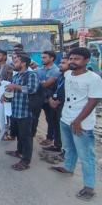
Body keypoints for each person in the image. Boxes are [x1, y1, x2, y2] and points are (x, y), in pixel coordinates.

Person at [50, 48, 102, 202]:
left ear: (86, 60)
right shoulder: (67, 74)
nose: (72, 61)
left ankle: (89, 187)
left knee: (87, 156)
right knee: (69, 147)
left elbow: (94, 101)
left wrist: (79, 120)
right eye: (71, 58)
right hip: (65, 118)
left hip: (82, 123)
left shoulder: (93, 78)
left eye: (77, 59)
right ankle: (68, 168)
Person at [4, 53, 39, 171]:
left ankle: (26, 161)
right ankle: (19, 151)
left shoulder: (31, 75)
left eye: (16, 61)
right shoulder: (16, 75)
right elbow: (12, 91)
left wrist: (15, 86)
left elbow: (32, 89)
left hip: (26, 111)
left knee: (26, 137)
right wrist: (5, 96)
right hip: (15, 110)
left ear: (23, 63)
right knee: (18, 134)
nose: (14, 63)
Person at [42, 56, 69, 158]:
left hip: (63, 105)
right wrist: (50, 99)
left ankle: (66, 152)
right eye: (60, 62)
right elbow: (53, 88)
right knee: (56, 125)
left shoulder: (70, 77)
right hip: (53, 103)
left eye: (64, 63)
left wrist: (59, 101)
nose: (60, 64)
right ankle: (57, 145)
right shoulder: (61, 76)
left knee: (64, 129)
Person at [34, 51, 61, 146]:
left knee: (51, 119)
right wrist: (41, 83)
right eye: (42, 57)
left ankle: (50, 138)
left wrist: (40, 83)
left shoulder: (56, 70)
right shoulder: (40, 69)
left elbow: (46, 84)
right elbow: (36, 82)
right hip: (39, 97)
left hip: (50, 99)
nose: (42, 59)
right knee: (35, 117)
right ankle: (32, 134)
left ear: (52, 58)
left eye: (44, 57)